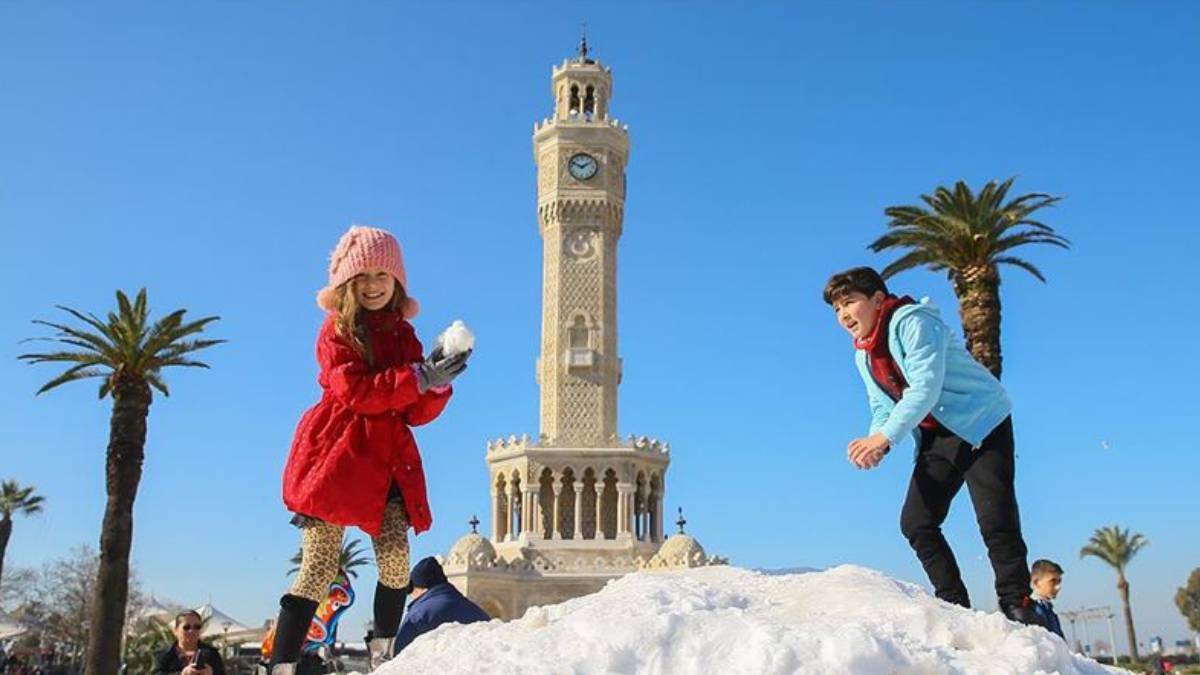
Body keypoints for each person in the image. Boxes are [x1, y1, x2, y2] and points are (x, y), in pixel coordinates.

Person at [264, 225, 471, 675]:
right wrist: (418, 377)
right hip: (336, 457)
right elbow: (355, 392)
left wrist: (437, 383)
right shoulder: (336, 331)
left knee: (396, 562)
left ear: (397, 281)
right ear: (346, 283)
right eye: (363, 276)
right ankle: (281, 665)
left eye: (383, 275)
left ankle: (383, 654)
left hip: (387, 460)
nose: (374, 285)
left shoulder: (404, 335)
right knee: (318, 568)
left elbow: (413, 411)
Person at [824, 266, 1041, 626]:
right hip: (938, 436)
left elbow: (925, 387)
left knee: (995, 519)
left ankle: (1016, 602)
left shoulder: (913, 322)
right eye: (836, 309)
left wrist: (885, 437)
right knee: (917, 523)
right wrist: (878, 443)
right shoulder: (863, 355)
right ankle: (953, 605)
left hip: (981, 422)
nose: (843, 314)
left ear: (877, 300)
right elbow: (882, 406)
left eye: (849, 302)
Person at [392, 557, 489, 656]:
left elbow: (398, 657)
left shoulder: (417, 617)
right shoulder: (479, 614)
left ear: (422, 587)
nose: (411, 596)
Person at [153, 611, 226, 675]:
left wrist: (211, 673)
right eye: (186, 627)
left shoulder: (212, 654)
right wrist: (182, 674)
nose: (192, 631)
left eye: (197, 627)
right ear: (175, 631)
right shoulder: (162, 655)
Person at [1030, 559, 1065, 638]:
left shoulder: (1048, 609)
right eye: (1052, 581)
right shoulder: (1032, 609)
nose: (1058, 587)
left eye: (1059, 581)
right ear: (1036, 582)